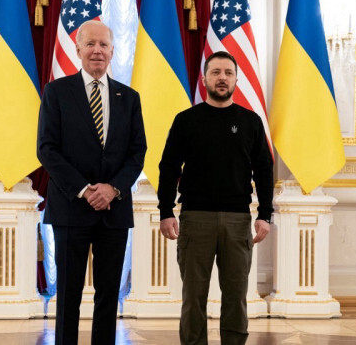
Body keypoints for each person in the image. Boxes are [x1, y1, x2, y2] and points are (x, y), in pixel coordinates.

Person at [37, 20, 147, 345]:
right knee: (68, 295)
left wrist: (112, 188)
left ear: (113, 51)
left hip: (114, 211)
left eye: (103, 45)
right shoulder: (56, 92)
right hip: (71, 208)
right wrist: (86, 190)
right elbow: (47, 149)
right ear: (78, 49)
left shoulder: (129, 97)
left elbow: (137, 152)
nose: (97, 50)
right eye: (90, 44)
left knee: (108, 294)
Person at [158, 51, 274, 345]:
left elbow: (263, 171)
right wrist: (165, 211)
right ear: (205, 78)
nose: (222, 78)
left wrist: (264, 215)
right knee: (193, 296)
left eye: (228, 73)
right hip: (195, 219)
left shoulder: (251, 122)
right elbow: (169, 167)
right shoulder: (186, 121)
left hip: (238, 220)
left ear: (236, 79)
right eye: (215, 72)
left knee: (236, 296)